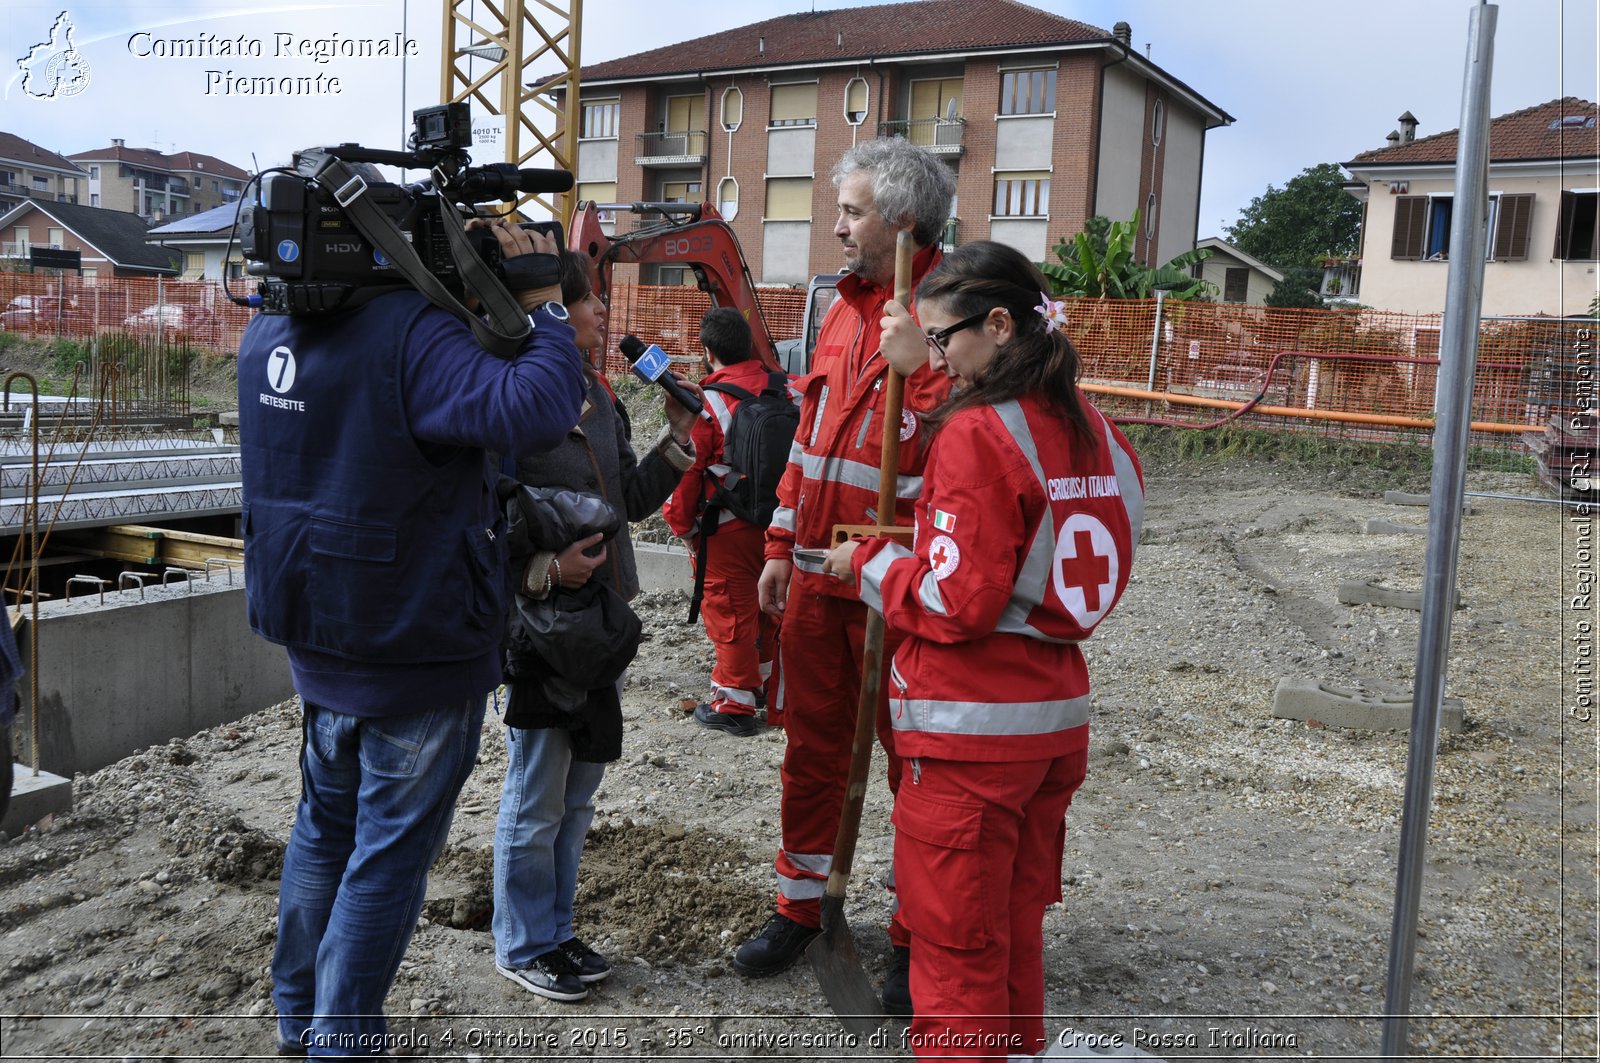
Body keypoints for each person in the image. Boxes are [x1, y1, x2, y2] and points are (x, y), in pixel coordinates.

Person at [238, 219, 587, 1059]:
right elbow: (538, 405)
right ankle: (344, 1038)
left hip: (318, 626)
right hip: (414, 638)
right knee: (388, 854)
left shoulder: (268, 326)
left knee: (324, 827)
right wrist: (542, 304)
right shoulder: (409, 334)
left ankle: (301, 1019)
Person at [820, 241, 1143, 1059]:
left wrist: (872, 563)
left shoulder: (976, 433)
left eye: (942, 340)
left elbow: (953, 603)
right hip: (1053, 722)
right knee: (1012, 930)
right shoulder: (1098, 430)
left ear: (999, 325)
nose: (935, 359)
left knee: (958, 955)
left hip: (970, 739)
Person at [733, 137, 956, 1016]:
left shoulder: (957, 301)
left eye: (853, 211)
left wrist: (923, 366)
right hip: (824, 574)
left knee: (916, 766)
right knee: (813, 748)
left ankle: (914, 936)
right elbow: (810, 441)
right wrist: (781, 547)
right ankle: (801, 904)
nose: (837, 225)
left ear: (900, 218)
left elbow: (992, 421)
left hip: (902, 577)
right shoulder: (839, 308)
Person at [492, 250, 700, 1002]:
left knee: (578, 794)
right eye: (589, 302)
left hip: (601, 623)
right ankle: (521, 941)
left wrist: (676, 443)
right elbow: (480, 519)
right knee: (537, 791)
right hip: (542, 626)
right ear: (553, 312)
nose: (601, 314)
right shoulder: (511, 398)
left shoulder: (596, 392)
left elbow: (627, 505)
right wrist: (544, 571)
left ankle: (556, 929)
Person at [662, 307, 783, 738]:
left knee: (730, 611)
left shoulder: (708, 404)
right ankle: (765, 685)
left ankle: (735, 702)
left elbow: (688, 470)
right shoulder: (788, 389)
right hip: (781, 525)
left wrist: (685, 528)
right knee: (770, 606)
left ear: (708, 351)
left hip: (728, 527)